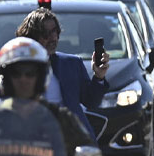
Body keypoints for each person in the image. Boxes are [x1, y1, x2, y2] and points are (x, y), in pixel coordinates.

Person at [15, 8, 109, 139]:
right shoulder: (14, 69)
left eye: (55, 32)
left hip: (71, 143)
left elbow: (91, 102)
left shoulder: (71, 63)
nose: (53, 38)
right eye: (46, 34)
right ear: (31, 37)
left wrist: (99, 76)